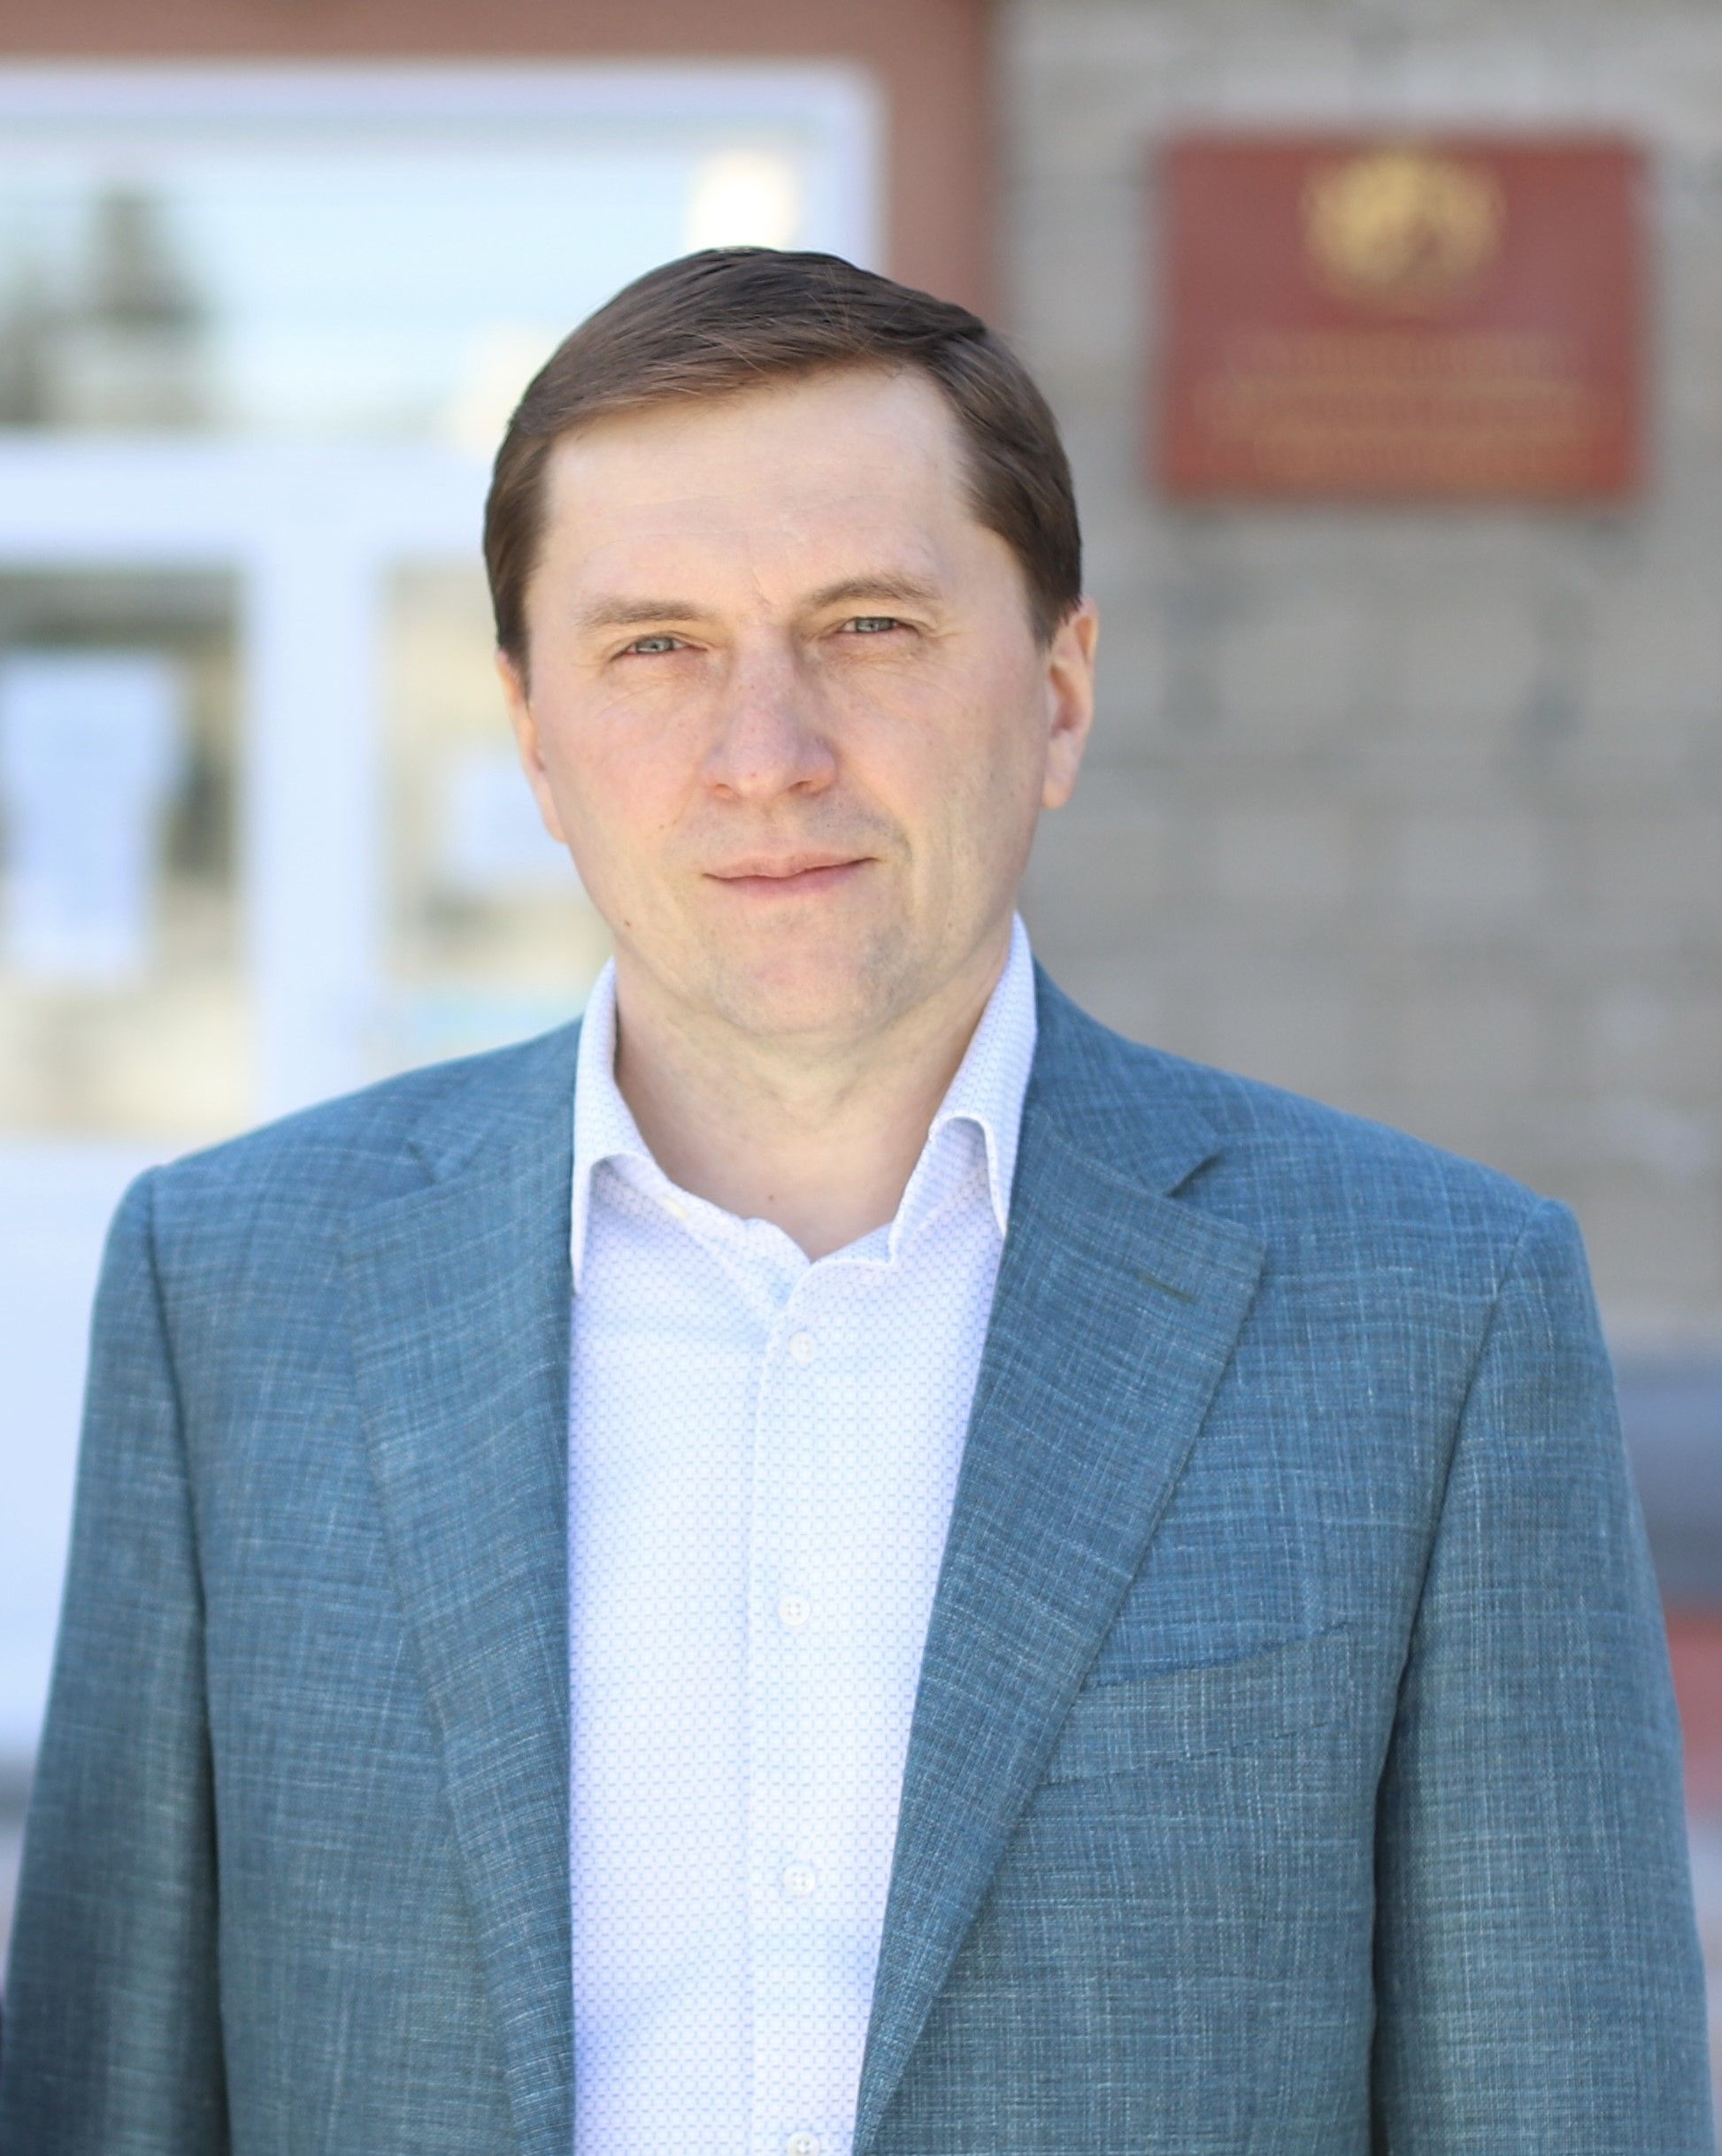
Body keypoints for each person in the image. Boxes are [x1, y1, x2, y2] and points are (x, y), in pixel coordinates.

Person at [0, 247, 1711, 2156]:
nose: (766, 756)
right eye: (655, 646)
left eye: (870, 626)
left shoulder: (1434, 1313)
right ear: (534, 736)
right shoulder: (234, 1293)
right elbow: (106, 2092)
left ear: (1058, 692)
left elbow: (1566, 2101)